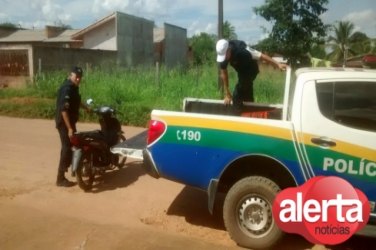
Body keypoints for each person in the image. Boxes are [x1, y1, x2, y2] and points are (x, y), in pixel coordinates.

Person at [216, 39, 287, 113]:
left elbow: (261, 56)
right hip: (241, 71)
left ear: (229, 49)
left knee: (237, 95)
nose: (224, 58)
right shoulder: (223, 56)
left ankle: (237, 117)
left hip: (251, 70)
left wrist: (277, 64)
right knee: (246, 91)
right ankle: (251, 111)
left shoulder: (242, 49)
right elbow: (224, 73)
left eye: (225, 55)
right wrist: (227, 93)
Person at [55, 66, 89, 187]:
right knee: (67, 147)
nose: (78, 79)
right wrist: (69, 128)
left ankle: (77, 170)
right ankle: (60, 178)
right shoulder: (67, 89)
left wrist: (86, 108)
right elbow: (64, 110)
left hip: (69, 122)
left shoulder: (73, 87)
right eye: (76, 77)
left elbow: (76, 101)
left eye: (80, 77)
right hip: (64, 123)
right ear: (71, 75)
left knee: (74, 144)